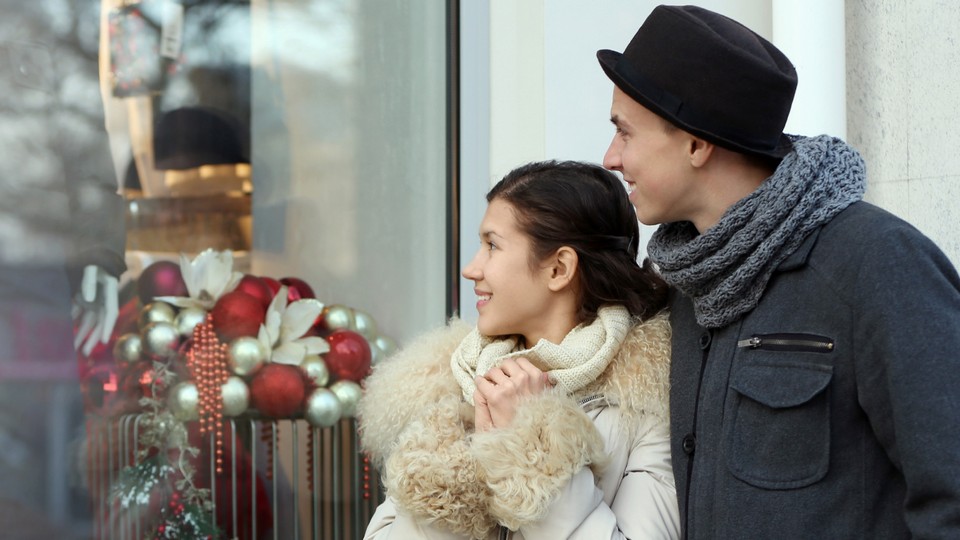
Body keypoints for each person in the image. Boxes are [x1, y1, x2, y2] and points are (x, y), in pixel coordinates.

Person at [596, 5, 960, 538]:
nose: (610, 157)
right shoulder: (686, 281)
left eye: (624, 133)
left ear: (696, 144)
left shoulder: (877, 265)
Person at [359, 160, 680, 539]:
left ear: (559, 269)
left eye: (492, 245)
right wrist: (451, 479)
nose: (471, 269)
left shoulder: (644, 404)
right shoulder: (452, 380)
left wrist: (533, 448)